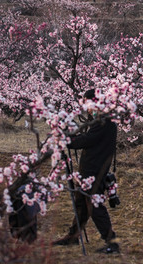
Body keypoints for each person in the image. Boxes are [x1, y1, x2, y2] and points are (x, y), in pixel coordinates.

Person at [52, 89, 119, 254]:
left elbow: (88, 140)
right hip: (90, 167)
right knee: (81, 202)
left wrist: (67, 141)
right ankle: (73, 236)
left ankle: (112, 243)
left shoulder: (105, 120)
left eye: (88, 104)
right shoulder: (101, 119)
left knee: (94, 205)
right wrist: (70, 137)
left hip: (96, 169)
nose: (87, 108)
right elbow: (88, 137)